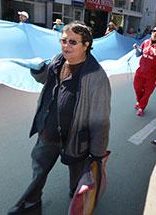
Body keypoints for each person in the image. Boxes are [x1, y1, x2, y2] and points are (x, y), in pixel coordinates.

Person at [8, 22, 111, 215]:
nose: (66, 46)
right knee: (38, 173)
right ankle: (30, 206)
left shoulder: (96, 76)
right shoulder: (58, 60)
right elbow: (45, 79)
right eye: (63, 41)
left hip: (76, 140)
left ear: (86, 44)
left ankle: (78, 201)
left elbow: (101, 120)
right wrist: (38, 70)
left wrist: (97, 154)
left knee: (77, 178)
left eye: (73, 42)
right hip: (48, 132)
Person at [133, 25, 156, 116]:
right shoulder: (145, 42)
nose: (155, 33)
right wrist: (137, 48)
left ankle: (141, 107)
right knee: (137, 88)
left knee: (147, 93)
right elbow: (139, 54)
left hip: (152, 75)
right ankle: (139, 101)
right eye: (153, 31)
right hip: (140, 72)